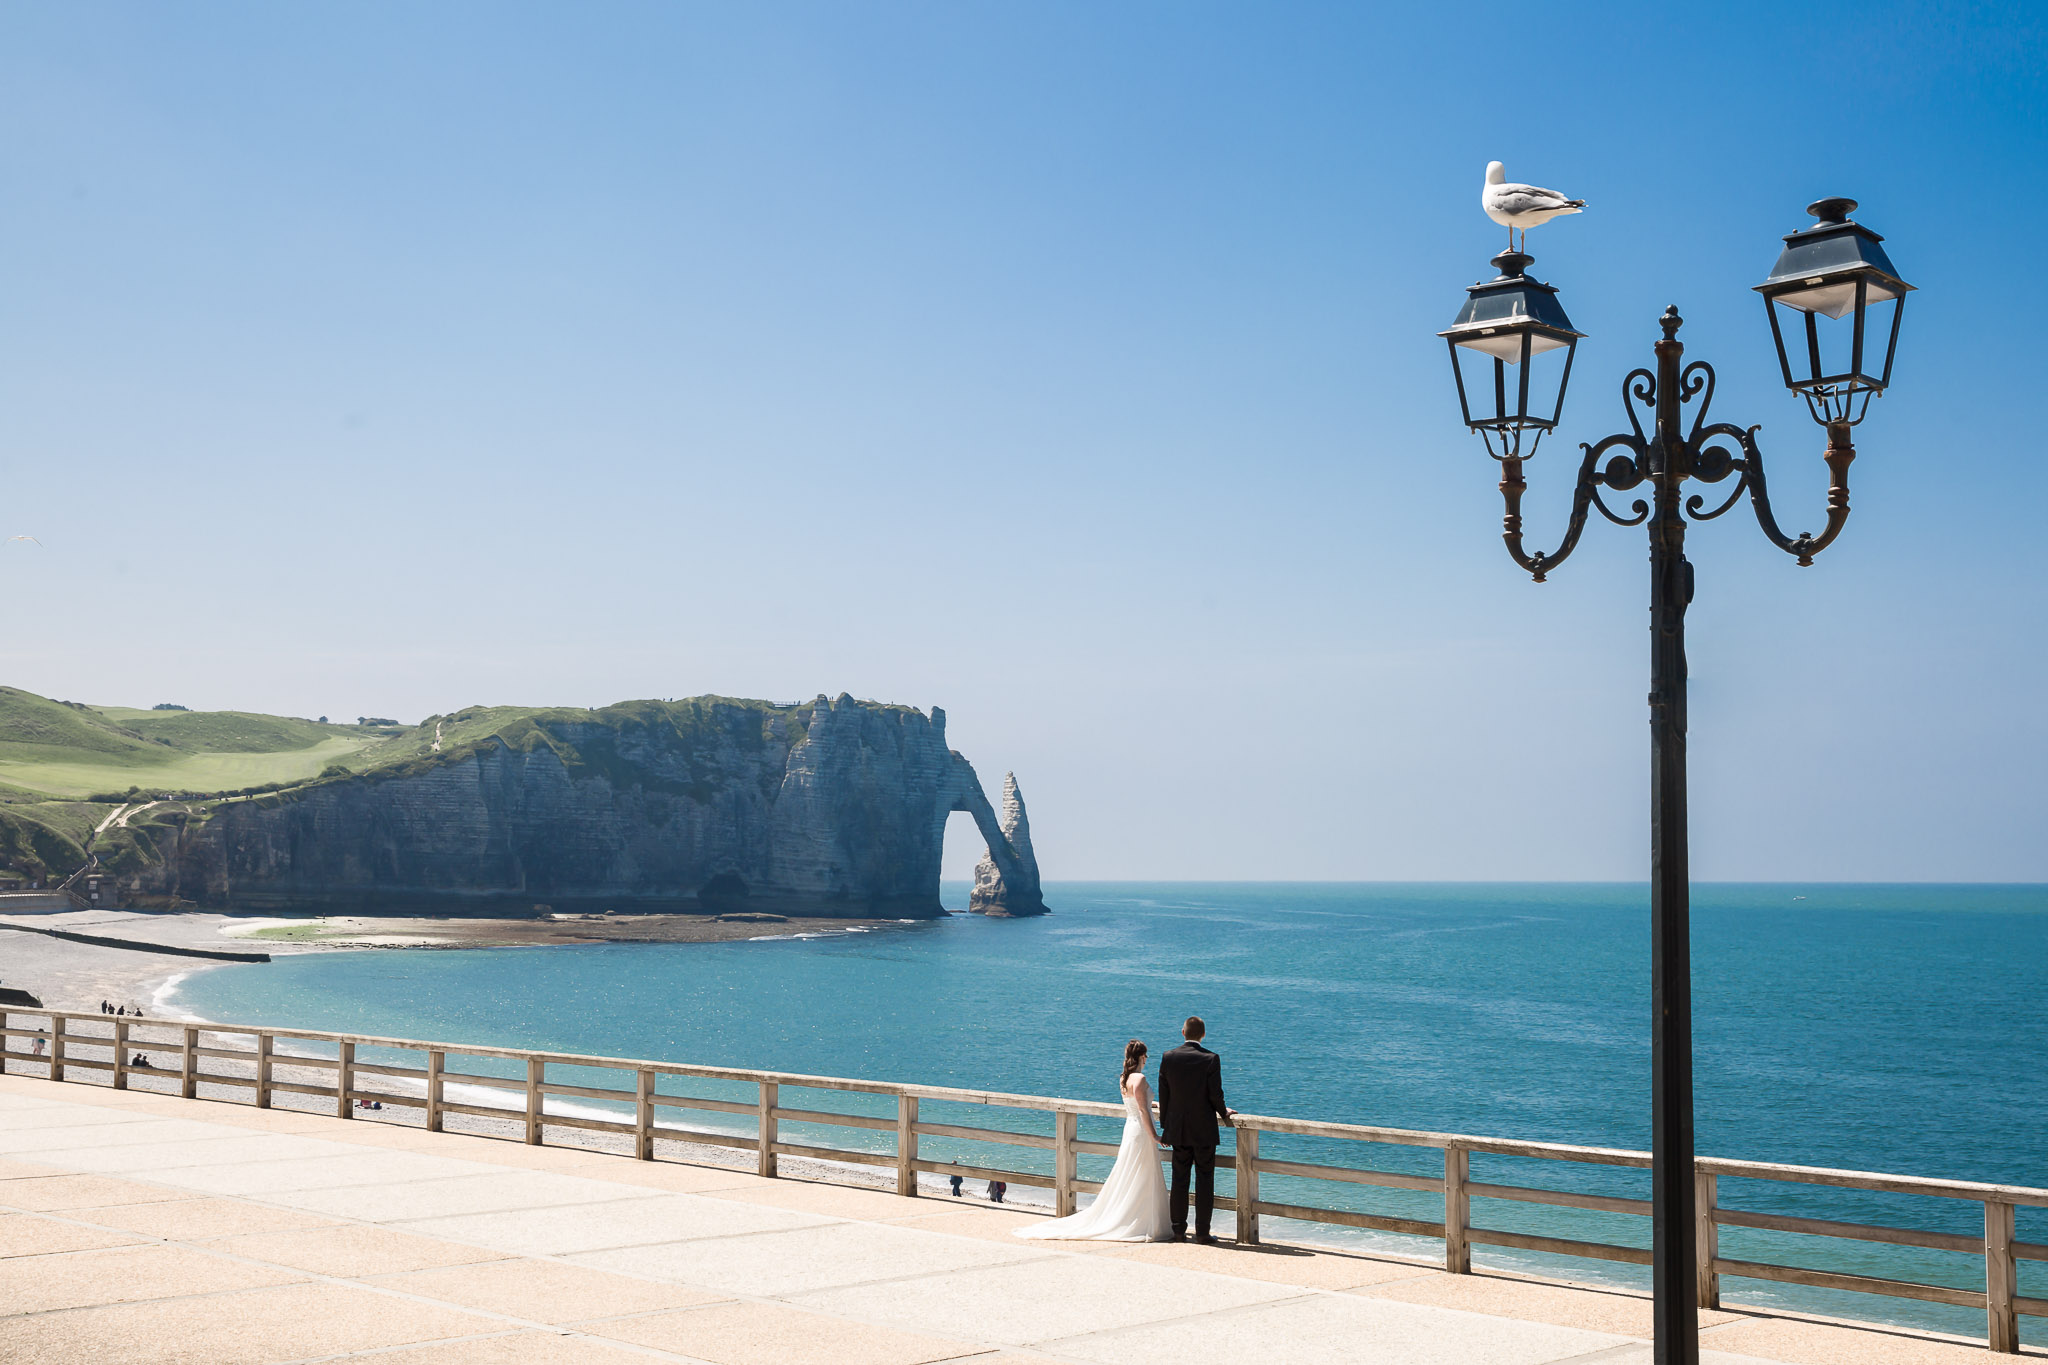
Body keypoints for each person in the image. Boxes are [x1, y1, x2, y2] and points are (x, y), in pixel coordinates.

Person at [1014, 1039, 1170, 1242]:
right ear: (1142, 1056)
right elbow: (1142, 1110)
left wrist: (1152, 1103)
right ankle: (1142, 1220)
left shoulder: (1124, 1078)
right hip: (1141, 1131)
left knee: (1131, 1172)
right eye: (1146, 1056)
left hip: (1130, 1129)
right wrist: (1155, 1136)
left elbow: (1138, 1103)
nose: (1147, 1059)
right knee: (1141, 1172)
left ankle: (1135, 1216)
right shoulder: (1139, 1078)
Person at [1157, 1015, 1235, 1244]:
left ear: (1183, 1033)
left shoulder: (1168, 1057)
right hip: (1203, 1130)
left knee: (1179, 1180)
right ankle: (1202, 1232)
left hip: (1178, 1129)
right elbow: (1215, 1094)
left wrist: (1166, 1126)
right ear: (1203, 1035)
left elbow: (1165, 1094)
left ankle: (1178, 1231)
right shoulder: (1211, 1058)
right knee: (1204, 1179)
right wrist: (1224, 1112)